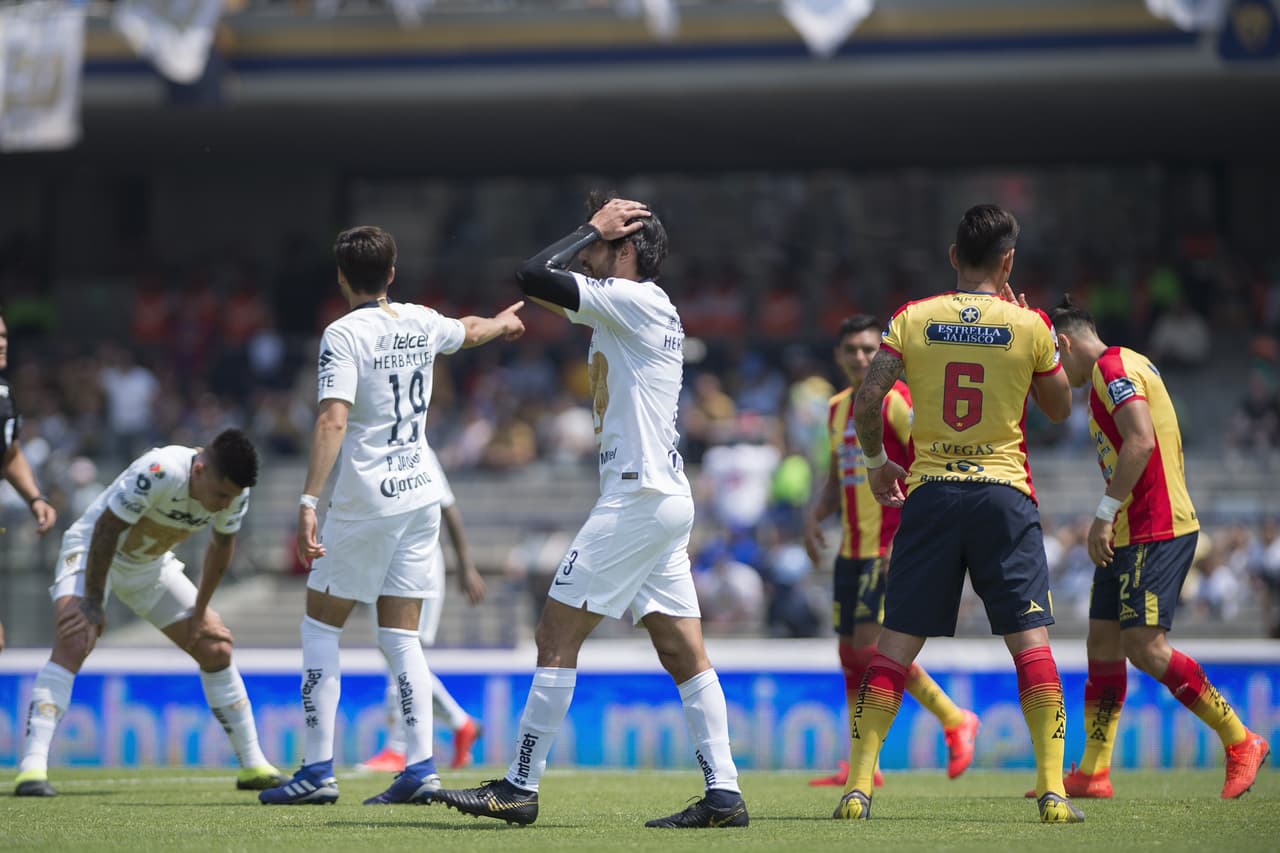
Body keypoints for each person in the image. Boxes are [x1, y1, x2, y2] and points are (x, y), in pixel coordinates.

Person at [432, 194, 749, 829]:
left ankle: (519, 786)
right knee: (682, 648)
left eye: (603, 245)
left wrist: (586, 228)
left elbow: (531, 274)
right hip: (657, 496)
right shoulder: (631, 309)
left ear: (624, 247)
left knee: (555, 634)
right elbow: (542, 292)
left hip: (637, 497)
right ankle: (724, 794)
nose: (589, 256)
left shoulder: (636, 300)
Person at [832, 204, 1081, 824]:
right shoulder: (1028, 325)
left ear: (952, 257)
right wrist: (1036, 333)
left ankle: (858, 790)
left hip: (932, 492)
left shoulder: (913, 319)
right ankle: (1053, 792)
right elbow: (1058, 409)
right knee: (1031, 646)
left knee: (891, 650)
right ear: (1008, 260)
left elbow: (869, 398)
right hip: (1003, 494)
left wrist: (874, 461)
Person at [260, 225, 524, 806]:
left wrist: (307, 502)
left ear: (340, 276)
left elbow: (332, 419)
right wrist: (504, 324)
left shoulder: (342, 334)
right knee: (401, 637)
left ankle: (316, 771)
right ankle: (419, 768)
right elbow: (471, 330)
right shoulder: (421, 320)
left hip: (367, 497)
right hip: (421, 492)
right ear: (393, 273)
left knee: (319, 626)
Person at [1041, 296, 1269, 800]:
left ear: (1064, 344)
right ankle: (1095, 772)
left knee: (1144, 648)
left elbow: (1141, 441)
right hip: (1127, 531)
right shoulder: (1127, 361)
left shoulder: (1111, 368)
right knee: (1101, 644)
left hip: (1153, 527)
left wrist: (1102, 514)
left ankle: (1240, 738)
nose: (1054, 372)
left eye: (1053, 359)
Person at [13, 428, 285, 797]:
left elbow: (221, 546)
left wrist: (201, 612)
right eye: (220, 495)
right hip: (93, 552)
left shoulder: (235, 492)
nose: (223, 505)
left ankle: (253, 765)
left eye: (230, 498)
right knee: (76, 638)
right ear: (200, 469)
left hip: (149, 566)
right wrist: (93, 601)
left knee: (215, 648)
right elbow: (107, 530)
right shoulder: (159, 469)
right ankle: (31, 769)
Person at [804, 314, 979, 788]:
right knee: (849, 653)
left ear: (880, 353)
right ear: (839, 356)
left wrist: (908, 538)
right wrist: (814, 516)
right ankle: (866, 763)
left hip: (886, 546)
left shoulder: (898, 402)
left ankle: (954, 717)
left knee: (870, 648)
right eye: (851, 350)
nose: (860, 357)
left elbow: (924, 462)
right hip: (851, 549)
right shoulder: (838, 407)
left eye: (868, 349)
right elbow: (838, 475)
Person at [359, 444, 485, 774]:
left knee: (400, 650)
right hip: (384, 565)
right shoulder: (368, 444)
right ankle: (461, 724)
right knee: (396, 652)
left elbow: (448, 506)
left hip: (418, 564)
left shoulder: (413, 444)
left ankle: (399, 749)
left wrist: (465, 565)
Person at [1, 310, 59, 655]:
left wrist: (35, 498)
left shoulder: (3, 394)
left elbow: (9, 454)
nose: (2, 344)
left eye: (5, 336)